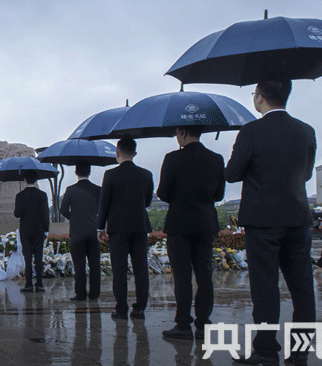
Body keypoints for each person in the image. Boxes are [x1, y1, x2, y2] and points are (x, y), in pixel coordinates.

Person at [225, 77, 316, 365]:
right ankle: (299, 354)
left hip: (263, 220)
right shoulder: (306, 130)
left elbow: (232, 173)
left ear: (260, 98)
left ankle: (265, 351)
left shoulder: (252, 130)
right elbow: (308, 175)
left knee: (265, 288)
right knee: (303, 290)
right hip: (298, 218)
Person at [157, 126, 225, 341]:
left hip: (179, 224)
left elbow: (163, 192)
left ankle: (183, 325)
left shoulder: (172, 158)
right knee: (205, 276)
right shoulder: (216, 159)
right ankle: (204, 324)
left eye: (177, 133)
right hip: (205, 223)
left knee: (182, 276)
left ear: (183, 132)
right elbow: (220, 193)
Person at [97, 137, 153, 320]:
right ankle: (140, 309)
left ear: (118, 153)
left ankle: (121, 309)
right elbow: (148, 201)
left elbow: (104, 204)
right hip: (139, 226)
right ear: (135, 153)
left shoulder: (110, 175)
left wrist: (100, 228)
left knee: (119, 270)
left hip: (117, 228)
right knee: (141, 269)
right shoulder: (146, 174)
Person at [59, 161, 102, 301]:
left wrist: (75, 218)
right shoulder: (97, 189)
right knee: (95, 263)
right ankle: (95, 293)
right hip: (93, 231)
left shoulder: (71, 189)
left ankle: (80, 294)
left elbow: (63, 210)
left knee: (79, 264)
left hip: (77, 232)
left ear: (76, 173)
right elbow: (102, 209)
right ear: (89, 172)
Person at [13, 170, 50, 293]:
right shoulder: (42, 195)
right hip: (39, 231)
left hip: (26, 231)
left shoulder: (20, 195)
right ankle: (39, 284)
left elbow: (17, 214)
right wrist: (46, 231)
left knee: (27, 257)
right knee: (39, 257)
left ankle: (28, 284)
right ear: (36, 179)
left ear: (25, 180)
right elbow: (45, 214)